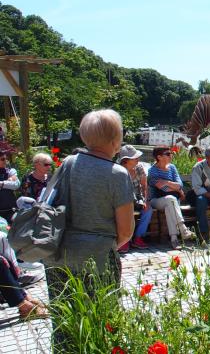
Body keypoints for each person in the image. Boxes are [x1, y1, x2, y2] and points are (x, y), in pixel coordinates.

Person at [45, 109, 134, 296]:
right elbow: (125, 231)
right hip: (98, 258)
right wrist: (102, 245)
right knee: (101, 320)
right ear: (115, 141)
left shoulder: (67, 163)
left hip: (58, 254)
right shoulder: (117, 174)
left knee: (65, 319)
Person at [148, 145, 196, 250]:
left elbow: (180, 185)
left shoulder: (172, 167)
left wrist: (166, 182)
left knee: (170, 203)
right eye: (168, 154)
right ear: (159, 157)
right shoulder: (152, 170)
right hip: (155, 200)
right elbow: (162, 189)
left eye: (171, 153)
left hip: (171, 200)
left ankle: (174, 239)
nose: (171, 155)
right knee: (170, 199)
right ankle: (183, 228)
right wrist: (174, 187)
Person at [117, 145, 152, 252]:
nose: (138, 159)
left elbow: (144, 186)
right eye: (134, 157)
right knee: (126, 210)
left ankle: (138, 237)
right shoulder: (117, 170)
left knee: (148, 210)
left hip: (138, 198)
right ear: (126, 160)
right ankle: (124, 240)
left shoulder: (139, 167)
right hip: (122, 200)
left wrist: (145, 201)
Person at [0, 151, 20, 222]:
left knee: (17, 222)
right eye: (2, 159)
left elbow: (16, 185)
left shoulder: (11, 171)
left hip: (10, 211)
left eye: (6, 159)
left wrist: (2, 184)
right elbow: (11, 184)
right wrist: (8, 182)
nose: (5, 161)